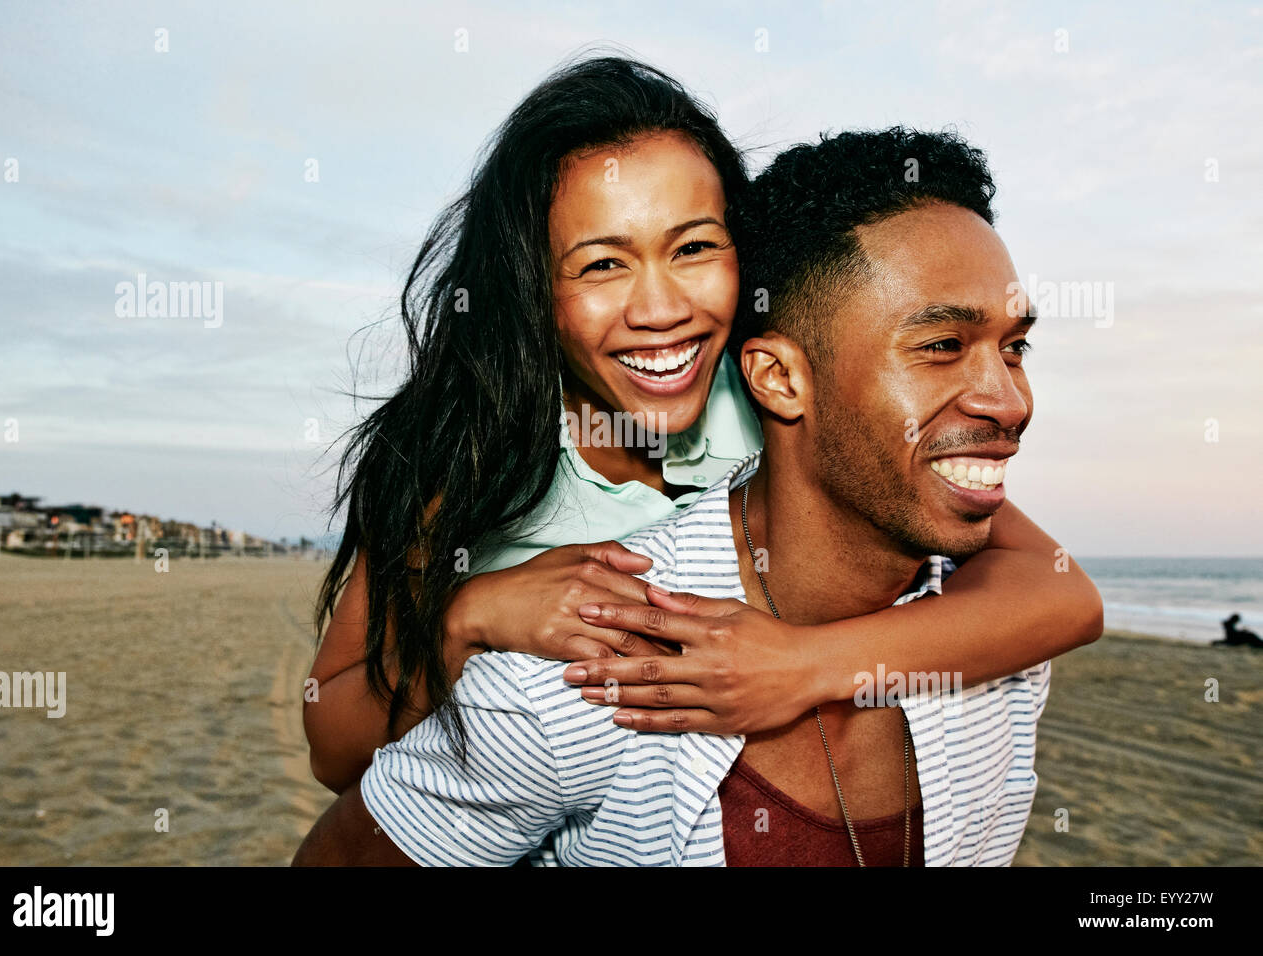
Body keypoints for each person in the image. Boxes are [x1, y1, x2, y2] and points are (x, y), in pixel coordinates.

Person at [304, 55, 1102, 798]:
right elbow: (332, 746)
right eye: (603, 264)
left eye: (693, 248)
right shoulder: (464, 451)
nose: (661, 311)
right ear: (532, 289)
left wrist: (805, 666)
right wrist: (469, 616)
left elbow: (1061, 595)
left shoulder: (773, 393)